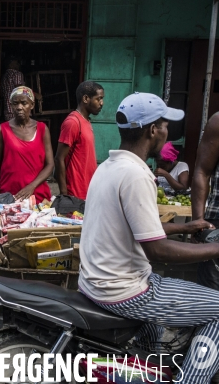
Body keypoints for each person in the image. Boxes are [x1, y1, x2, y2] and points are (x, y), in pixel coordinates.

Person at [79, 92, 219, 383]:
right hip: (125, 289)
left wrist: (184, 228)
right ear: (153, 129)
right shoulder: (136, 175)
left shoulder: (108, 167)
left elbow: (133, 229)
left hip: (96, 282)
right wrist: (216, 249)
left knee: (156, 337)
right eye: (165, 126)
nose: (167, 133)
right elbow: (157, 251)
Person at [0, 86, 53, 204]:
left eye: (24, 103)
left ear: (32, 105)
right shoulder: (2, 130)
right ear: (11, 106)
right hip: (10, 196)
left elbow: (50, 164)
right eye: (15, 104)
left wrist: (32, 186)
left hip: (37, 196)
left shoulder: (42, 129)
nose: (19, 107)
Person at [53, 81, 103, 200]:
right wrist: (64, 195)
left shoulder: (86, 121)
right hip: (74, 193)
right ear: (86, 98)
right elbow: (59, 158)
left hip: (87, 190)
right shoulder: (73, 122)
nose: (102, 103)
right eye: (98, 99)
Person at [191, 112, 219, 290]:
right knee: (212, 297)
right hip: (217, 224)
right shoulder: (218, 121)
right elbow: (202, 171)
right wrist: (198, 223)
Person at [0, 56, 25, 123]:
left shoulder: (4, 76)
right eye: (17, 63)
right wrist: (35, 94)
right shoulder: (17, 74)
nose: (18, 65)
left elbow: (1, 94)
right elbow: (20, 89)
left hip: (7, 110)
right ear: (11, 64)